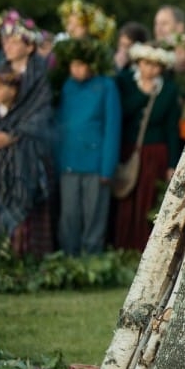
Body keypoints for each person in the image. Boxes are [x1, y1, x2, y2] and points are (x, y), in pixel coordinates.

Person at [0, 11, 54, 255]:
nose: (8, 46)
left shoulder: (39, 76)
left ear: (30, 46)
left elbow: (40, 115)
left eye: (15, 41)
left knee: (21, 194)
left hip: (24, 155)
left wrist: (11, 135)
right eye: (5, 40)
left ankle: (19, 257)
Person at [53, 38, 121, 256]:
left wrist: (107, 167)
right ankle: (69, 257)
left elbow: (112, 127)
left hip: (95, 162)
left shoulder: (106, 85)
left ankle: (93, 259)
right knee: (69, 214)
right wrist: (58, 161)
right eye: (74, 65)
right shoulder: (67, 86)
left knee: (94, 215)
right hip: (69, 160)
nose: (78, 70)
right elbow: (61, 125)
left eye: (82, 65)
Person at [113, 43, 182, 251]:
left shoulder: (169, 90)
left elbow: (171, 128)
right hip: (129, 149)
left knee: (148, 198)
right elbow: (121, 114)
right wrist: (143, 93)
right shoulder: (125, 82)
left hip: (155, 154)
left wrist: (172, 163)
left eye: (155, 65)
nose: (150, 69)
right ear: (138, 63)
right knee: (126, 197)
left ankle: (144, 248)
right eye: (145, 64)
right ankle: (122, 247)